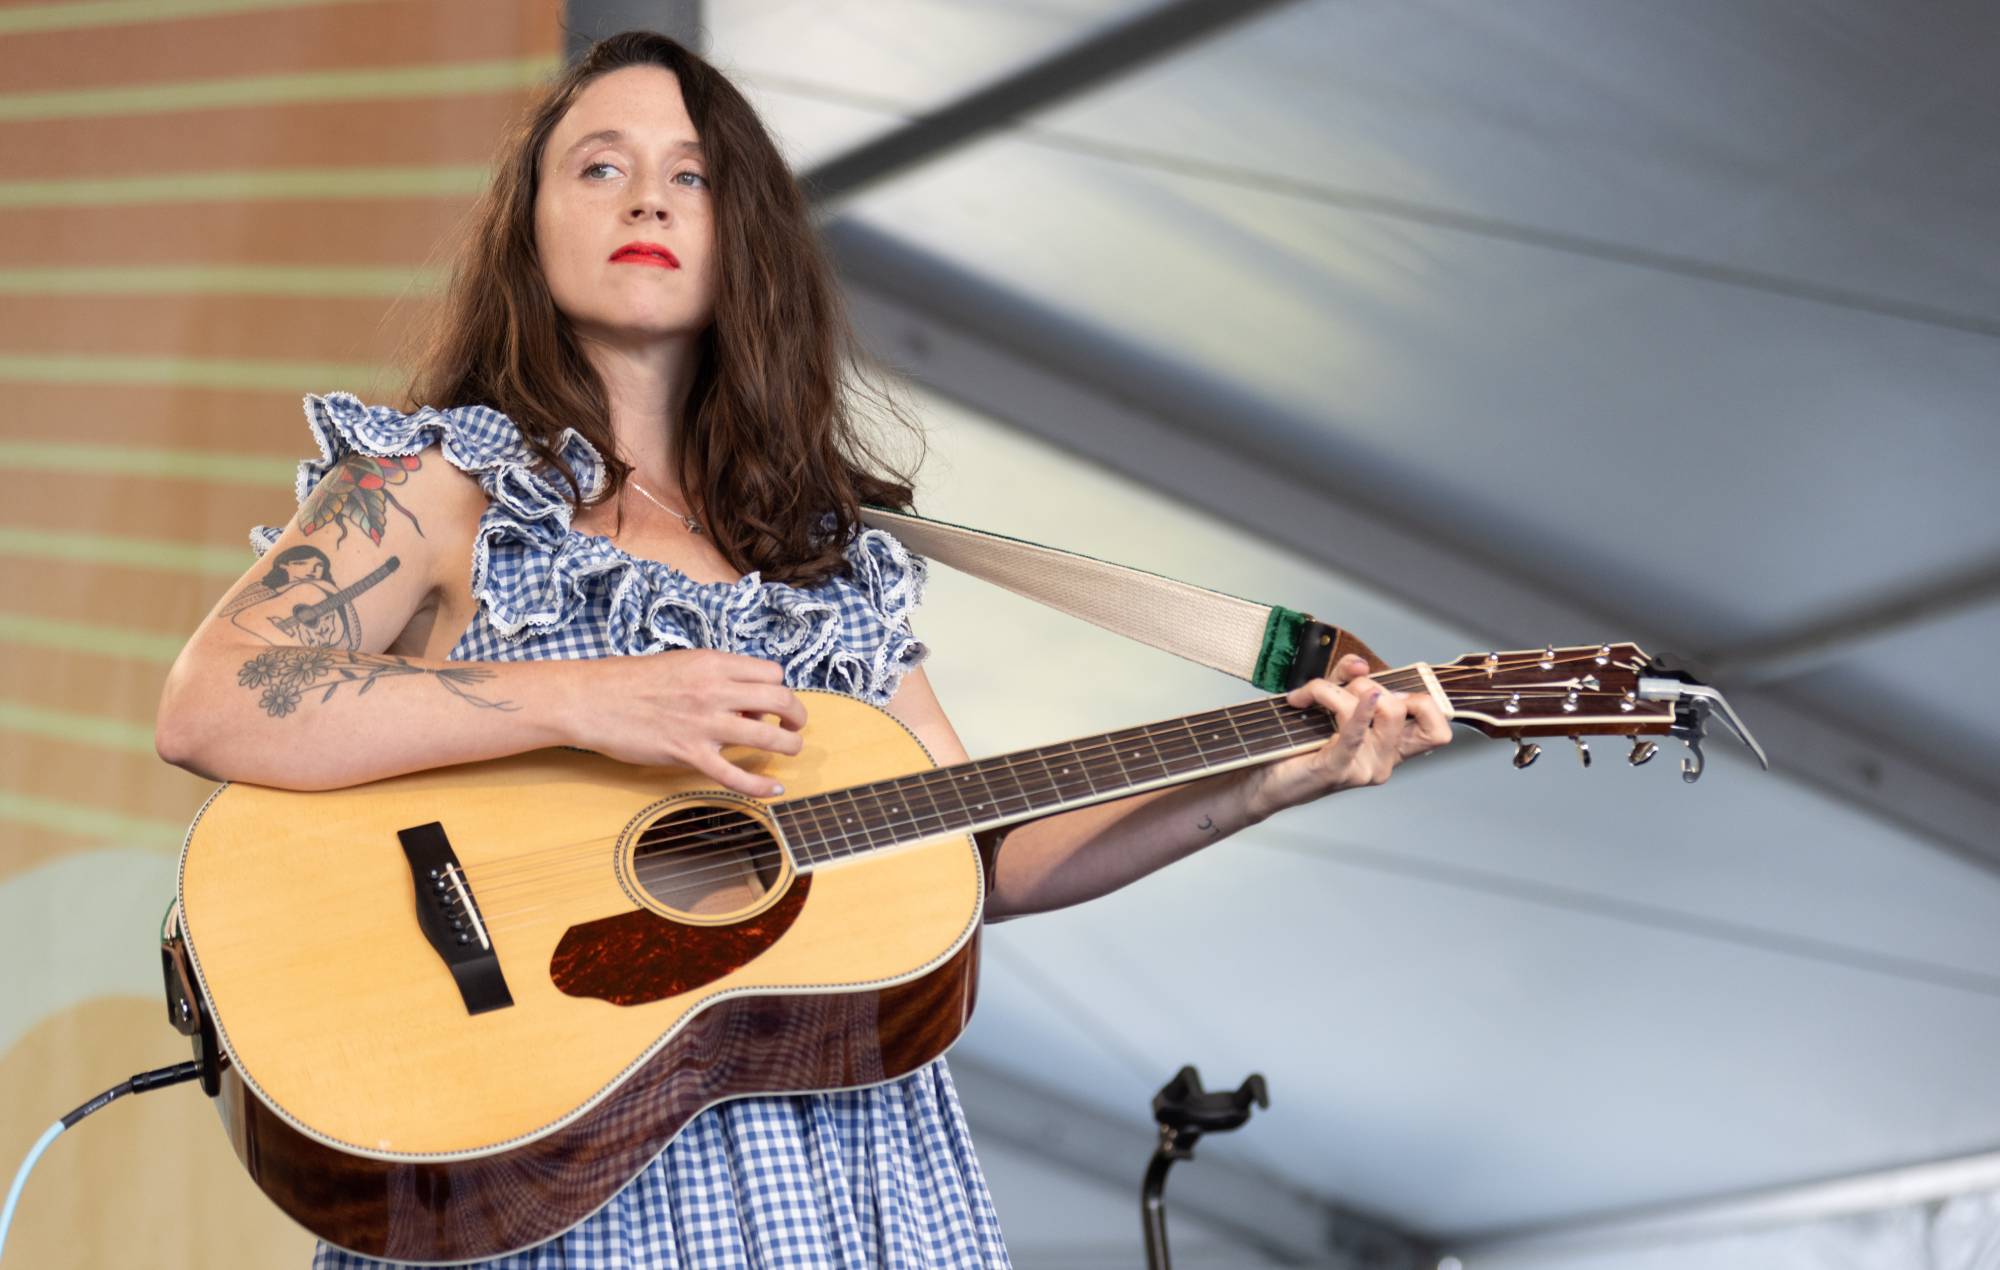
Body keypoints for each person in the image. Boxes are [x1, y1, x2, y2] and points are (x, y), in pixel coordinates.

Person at [154, 30, 1453, 1270]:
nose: (646, 201)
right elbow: (219, 701)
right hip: (543, 1155)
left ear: (745, 235)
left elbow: (978, 857)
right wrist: (594, 701)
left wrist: (1264, 773)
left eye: (691, 175)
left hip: (842, 1174)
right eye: (598, 166)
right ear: (531, 226)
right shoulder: (447, 480)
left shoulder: (825, 552)